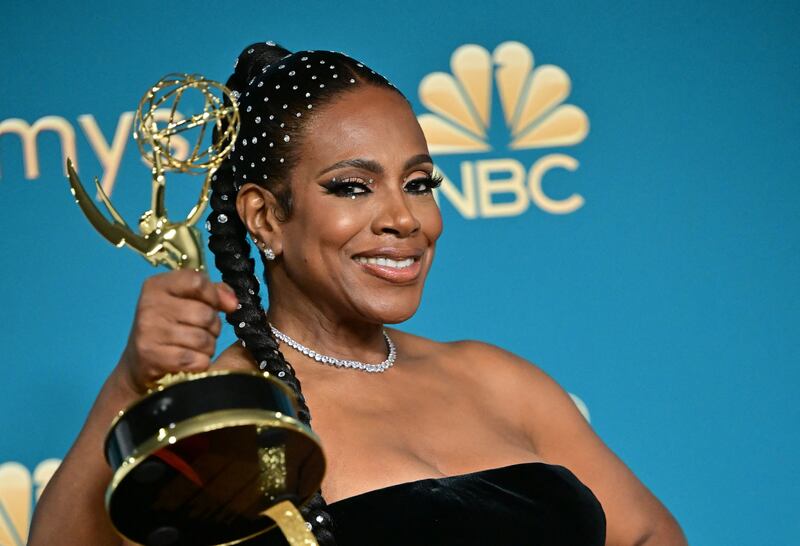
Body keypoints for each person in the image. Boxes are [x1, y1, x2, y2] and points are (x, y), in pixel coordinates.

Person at [30, 42, 687, 546]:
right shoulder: (226, 419)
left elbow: (650, 532)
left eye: (420, 182)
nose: (405, 219)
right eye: (352, 186)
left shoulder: (499, 379)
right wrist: (130, 383)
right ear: (263, 219)